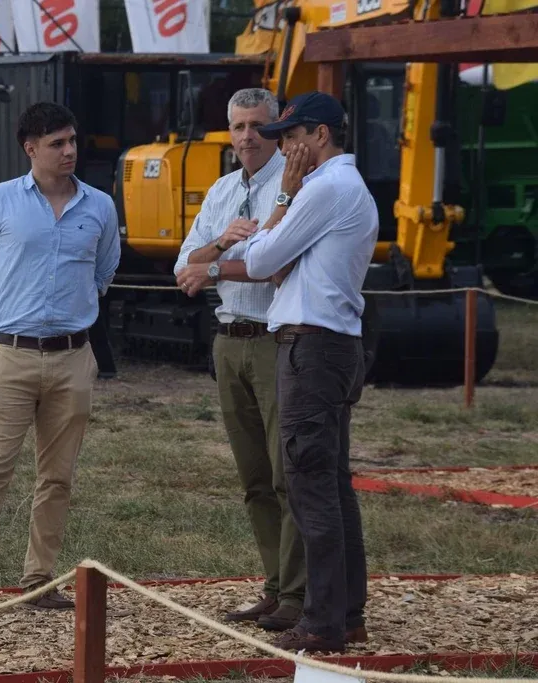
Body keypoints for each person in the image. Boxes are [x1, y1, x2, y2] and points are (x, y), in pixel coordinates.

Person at [183, 90, 378, 653]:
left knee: (309, 486)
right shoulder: (344, 185)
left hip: (310, 346)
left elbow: (264, 259)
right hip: (327, 343)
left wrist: (284, 198)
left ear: (321, 135)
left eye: (292, 136)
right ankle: (345, 612)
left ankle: (321, 621)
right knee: (330, 484)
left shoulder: (323, 188)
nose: (286, 147)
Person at [0, 101, 121, 615]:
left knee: (58, 476)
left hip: (73, 356)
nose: (69, 151)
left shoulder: (100, 207)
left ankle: (39, 580)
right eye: (56, 143)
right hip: (11, 354)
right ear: (30, 148)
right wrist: (6, 310)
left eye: (72, 140)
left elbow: (103, 273)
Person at [174, 87, 306, 633]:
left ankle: (298, 595)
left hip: (277, 339)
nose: (247, 136)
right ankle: (275, 587)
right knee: (254, 478)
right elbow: (183, 267)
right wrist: (221, 244)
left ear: (274, 130)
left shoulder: (296, 185)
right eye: (238, 126)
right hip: (228, 339)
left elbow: (275, 265)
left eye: (257, 126)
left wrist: (213, 264)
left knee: (287, 475)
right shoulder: (223, 190)